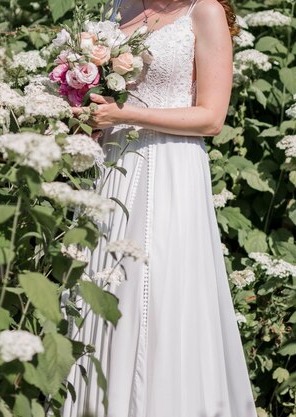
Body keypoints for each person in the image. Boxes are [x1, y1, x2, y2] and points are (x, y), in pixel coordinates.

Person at [62, 0, 258, 416]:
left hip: (171, 167)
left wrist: (124, 114)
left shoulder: (203, 11)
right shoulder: (117, 7)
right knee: (102, 281)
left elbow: (212, 117)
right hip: (113, 167)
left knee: (163, 287)